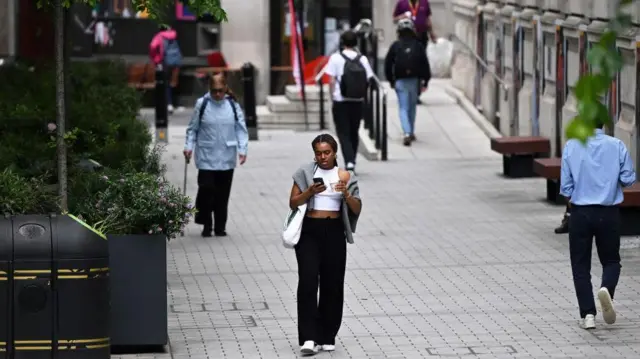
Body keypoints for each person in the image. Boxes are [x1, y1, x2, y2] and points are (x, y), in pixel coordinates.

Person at [289, 134, 362, 355]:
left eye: (327, 152)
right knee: (309, 281)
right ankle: (309, 337)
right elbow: (293, 202)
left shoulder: (345, 175)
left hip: (334, 232)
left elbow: (357, 209)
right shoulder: (305, 172)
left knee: (333, 283)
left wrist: (346, 194)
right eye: (319, 153)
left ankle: (327, 334)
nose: (323, 157)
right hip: (310, 231)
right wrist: (309, 192)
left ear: (335, 152)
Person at [560, 124, 636, 330]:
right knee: (611, 260)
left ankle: (588, 315)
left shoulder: (571, 146)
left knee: (580, 265)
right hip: (608, 212)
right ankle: (606, 289)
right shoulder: (617, 145)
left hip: (580, 213)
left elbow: (565, 187)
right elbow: (629, 178)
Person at [183, 73, 249, 238]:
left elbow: (241, 129)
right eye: (214, 91)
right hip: (206, 156)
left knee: (222, 194)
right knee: (206, 190)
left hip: (226, 157)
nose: (218, 94)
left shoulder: (232, 105)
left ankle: (220, 227)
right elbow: (193, 129)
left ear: (225, 88)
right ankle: (206, 224)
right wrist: (188, 146)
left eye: (220, 91)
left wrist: (243, 150)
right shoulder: (202, 104)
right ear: (209, 90)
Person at [325, 30, 375, 173]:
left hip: (341, 100)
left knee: (343, 132)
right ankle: (352, 159)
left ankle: (349, 161)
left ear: (342, 43)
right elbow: (369, 78)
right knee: (354, 131)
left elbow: (332, 80)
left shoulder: (335, 58)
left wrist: (332, 96)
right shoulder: (362, 59)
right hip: (357, 100)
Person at [384, 18, 431, 146]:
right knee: (412, 108)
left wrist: (390, 80)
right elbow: (425, 64)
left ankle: (406, 132)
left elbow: (388, 64)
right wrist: (425, 80)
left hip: (400, 80)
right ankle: (411, 131)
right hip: (414, 80)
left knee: (403, 107)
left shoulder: (395, 46)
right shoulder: (418, 46)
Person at [393, 0, 437, 104]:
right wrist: (402, 16)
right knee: (408, 62)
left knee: (420, 64)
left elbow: (427, 19)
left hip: (421, 37)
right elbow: (394, 19)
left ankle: (416, 91)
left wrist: (432, 34)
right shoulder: (402, 3)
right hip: (406, 38)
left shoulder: (424, 3)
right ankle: (406, 89)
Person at [149, 25, 183, 114]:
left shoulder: (159, 36)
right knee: (173, 83)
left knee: (166, 83)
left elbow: (152, 46)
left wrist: (155, 59)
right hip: (176, 61)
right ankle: (174, 103)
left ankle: (169, 104)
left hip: (166, 61)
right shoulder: (174, 35)